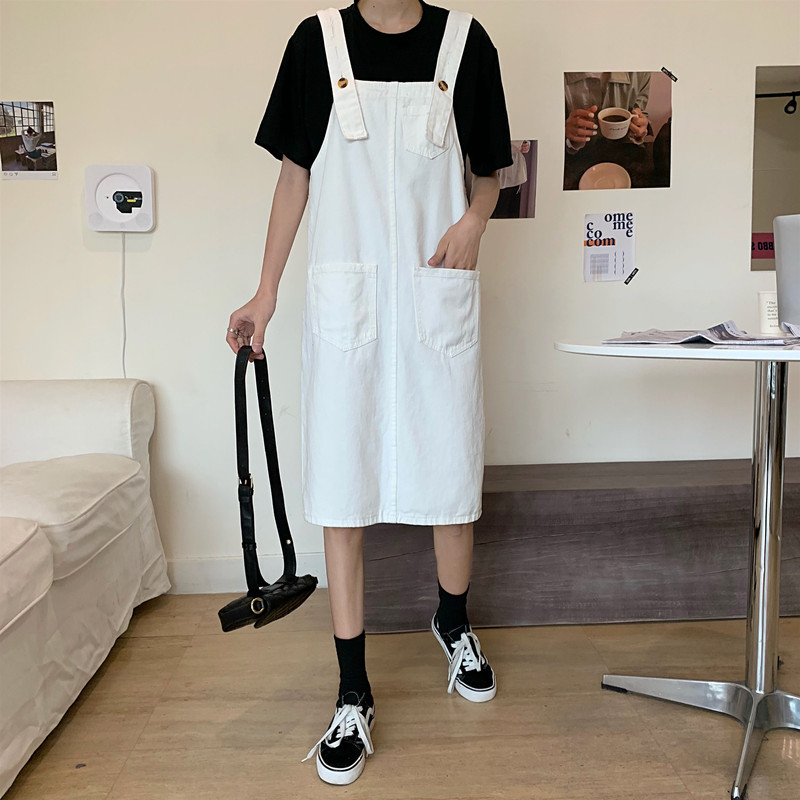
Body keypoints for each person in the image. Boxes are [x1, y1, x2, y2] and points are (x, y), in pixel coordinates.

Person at [227, 0, 512, 785]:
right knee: (343, 492)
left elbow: (489, 173)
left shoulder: (466, 44)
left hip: (432, 296)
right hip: (346, 308)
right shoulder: (315, 43)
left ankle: (452, 622)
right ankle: (353, 691)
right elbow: (294, 175)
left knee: (450, 474)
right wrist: (265, 293)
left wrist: (474, 221)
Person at [564, 72, 650, 153]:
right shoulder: (560, 74)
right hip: (577, 156)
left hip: (623, 152)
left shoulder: (641, 72)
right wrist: (566, 134)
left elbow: (639, 112)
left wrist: (638, 128)